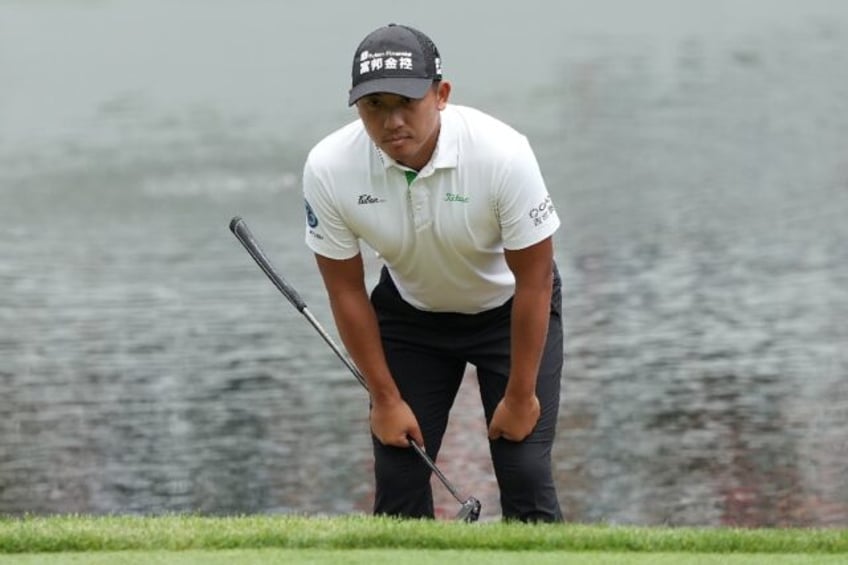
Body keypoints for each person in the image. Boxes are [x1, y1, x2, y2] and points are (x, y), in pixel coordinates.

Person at [302, 23, 563, 522]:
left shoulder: (502, 154)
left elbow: (535, 280)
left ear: (441, 95)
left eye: (407, 102)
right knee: (399, 472)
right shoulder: (329, 167)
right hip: (412, 318)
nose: (391, 121)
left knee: (524, 467)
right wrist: (384, 397)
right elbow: (345, 290)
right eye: (374, 105)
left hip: (508, 313)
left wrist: (521, 393)